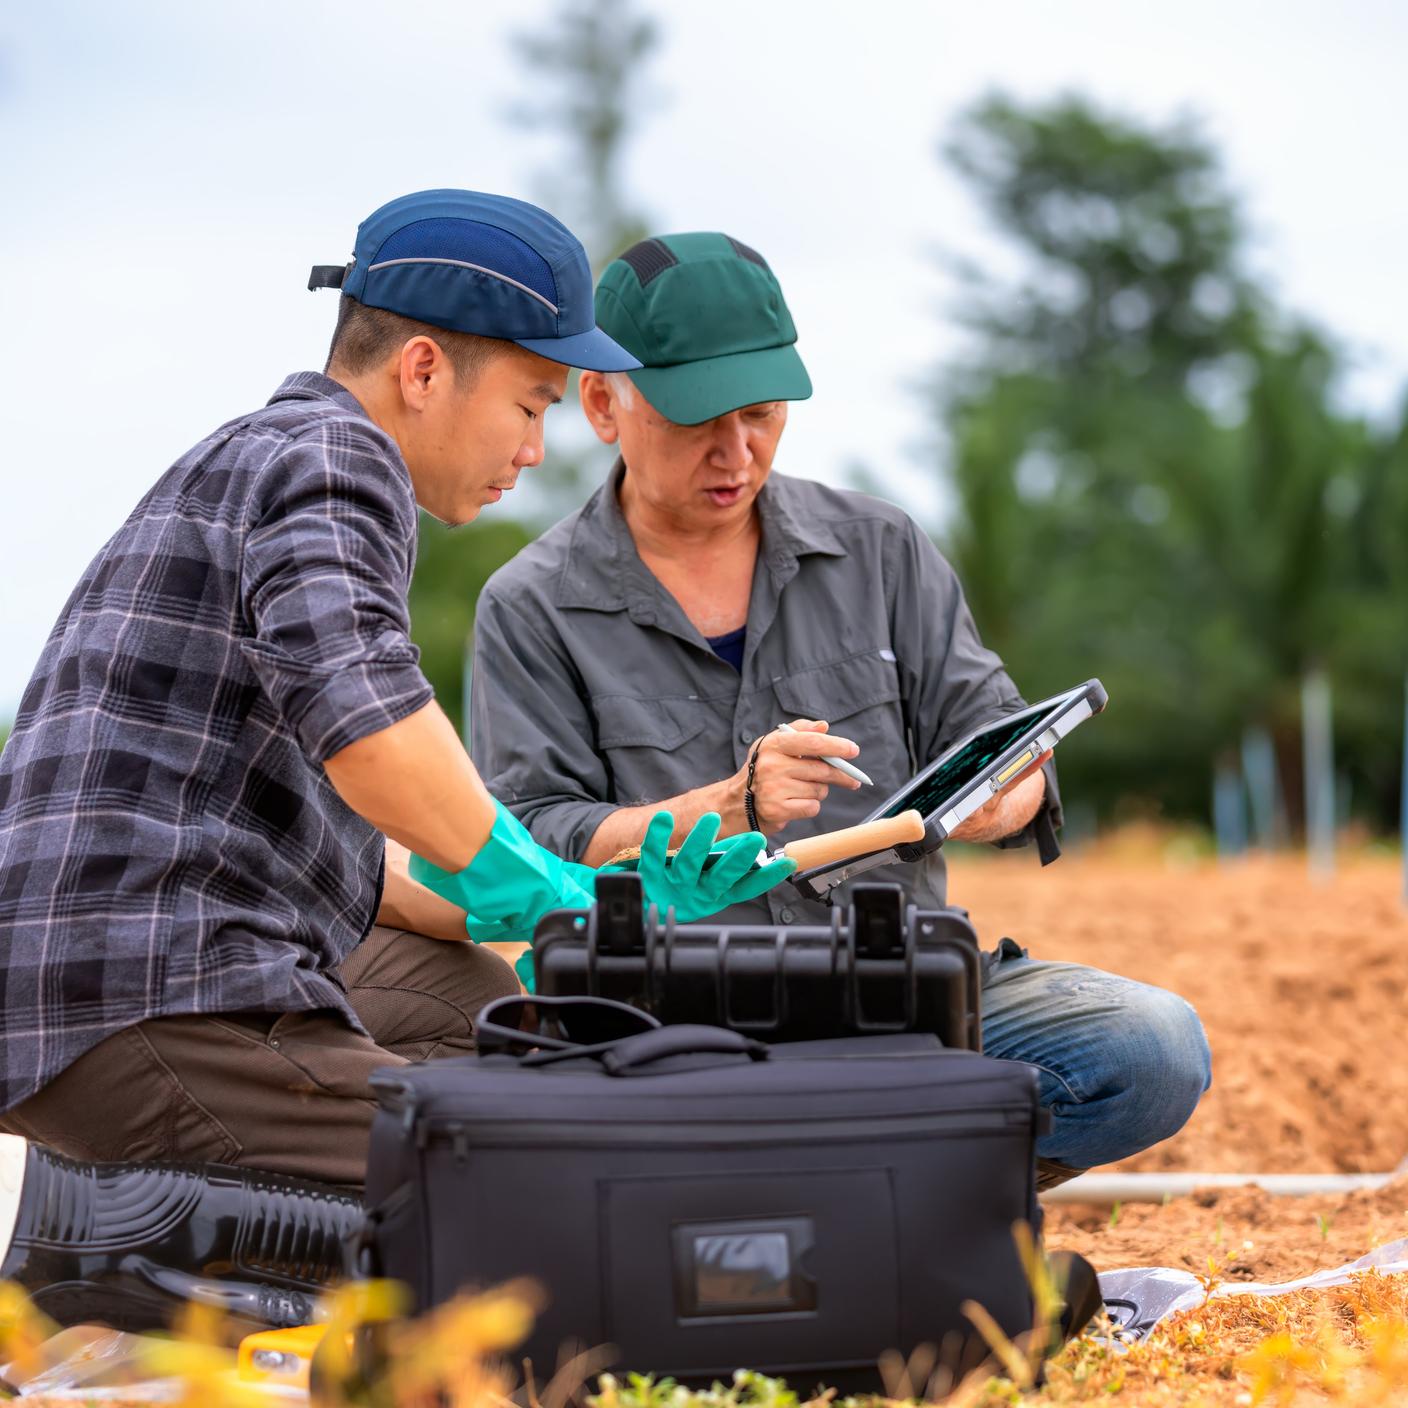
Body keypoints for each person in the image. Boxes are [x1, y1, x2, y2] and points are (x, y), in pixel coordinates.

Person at [0, 193, 793, 1218]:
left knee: (469, 1001)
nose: (536, 448)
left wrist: (604, 898)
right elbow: (372, 729)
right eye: (532, 404)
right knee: (529, 1170)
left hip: (92, 981)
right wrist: (540, 878)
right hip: (149, 999)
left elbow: (367, 863)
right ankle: (153, 1231)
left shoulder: (262, 455)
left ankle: (159, 1226)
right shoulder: (338, 456)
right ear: (422, 371)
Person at [468, 231, 1213, 1189]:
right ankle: (880, 1178)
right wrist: (726, 806)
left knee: (1150, 1049)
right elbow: (529, 843)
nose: (738, 452)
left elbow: (1003, 740)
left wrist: (1000, 797)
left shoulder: (882, 549)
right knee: (484, 1097)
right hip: (660, 1023)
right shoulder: (531, 605)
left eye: (763, 414)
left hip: (894, 992)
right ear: (606, 404)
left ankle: (824, 1177)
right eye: (700, 419)